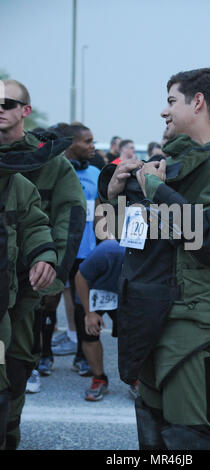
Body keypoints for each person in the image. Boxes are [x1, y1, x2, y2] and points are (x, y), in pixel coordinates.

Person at [98, 67, 210, 450]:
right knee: (152, 440)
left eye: (170, 101)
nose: (163, 112)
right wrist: (115, 194)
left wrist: (156, 189)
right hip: (154, 322)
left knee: (189, 441)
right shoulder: (176, 166)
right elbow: (120, 233)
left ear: (197, 102)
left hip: (200, 330)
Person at [0, 80, 86, 449]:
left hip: (29, 287)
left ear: (25, 110)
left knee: (17, 367)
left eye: (7, 102)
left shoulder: (50, 162)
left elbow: (67, 220)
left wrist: (53, 278)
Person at [52, 124, 100, 378]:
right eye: (87, 141)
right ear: (71, 144)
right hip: (60, 250)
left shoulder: (95, 172)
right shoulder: (54, 172)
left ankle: (82, 356)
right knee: (48, 304)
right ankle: (43, 358)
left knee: (83, 306)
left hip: (86, 252)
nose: (93, 145)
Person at [74, 239, 125, 400]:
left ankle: (137, 379)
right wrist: (89, 313)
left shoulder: (147, 256)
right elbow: (80, 277)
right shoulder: (107, 251)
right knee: (88, 332)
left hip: (124, 294)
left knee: (135, 334)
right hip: (93, 291)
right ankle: (99, 377)